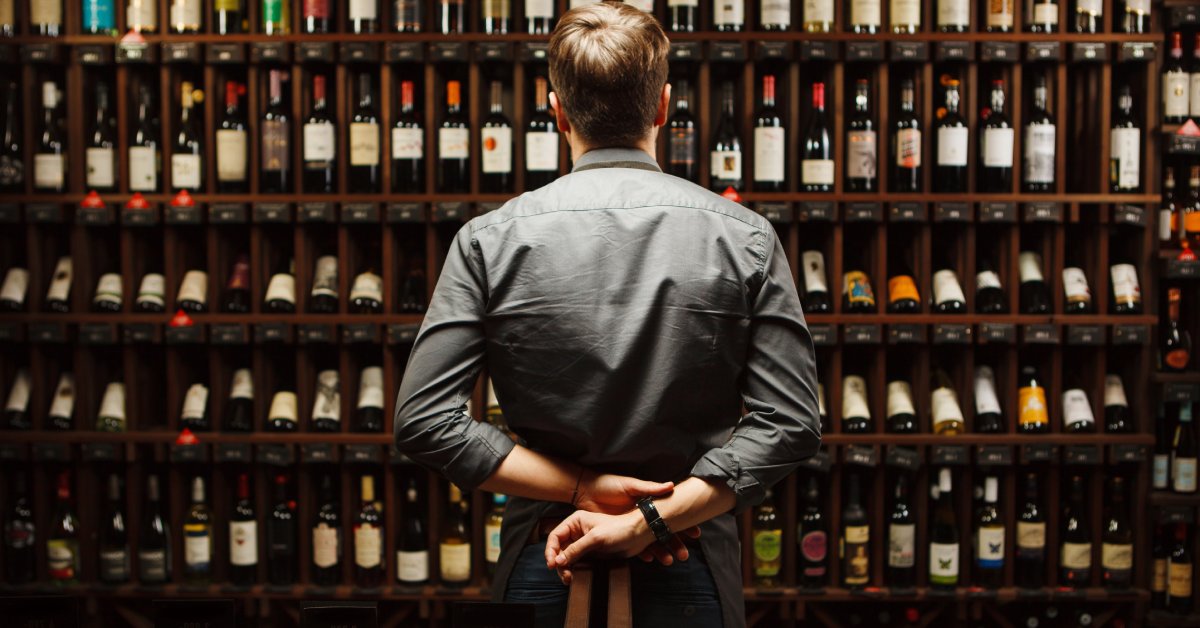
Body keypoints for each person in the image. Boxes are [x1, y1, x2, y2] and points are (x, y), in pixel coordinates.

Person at [393, 3, 821, 627]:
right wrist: (653, 519)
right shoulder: (745, 237)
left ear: (557, 110)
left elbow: (423, 420)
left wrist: (579, 490)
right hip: (688, 557)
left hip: (548, 554)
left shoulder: (490, 239)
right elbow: (791, 423)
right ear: (663, 107)